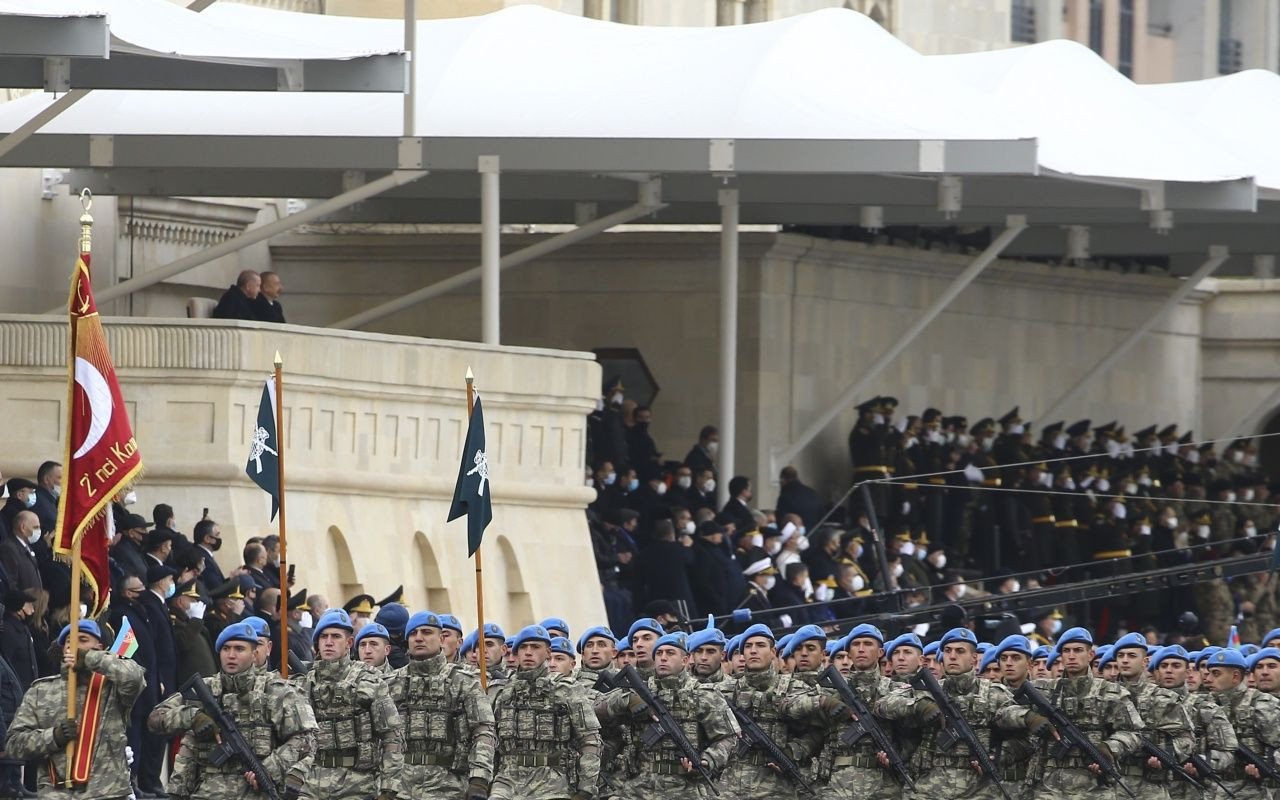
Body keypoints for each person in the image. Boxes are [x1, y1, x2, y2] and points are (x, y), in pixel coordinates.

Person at [148, 620, 316, 800]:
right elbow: (155, 719)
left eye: (239, 649)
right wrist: (193, 716)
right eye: (226, 649)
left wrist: (271, 768)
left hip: (257, 791)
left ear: (254, 654)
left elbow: (306, 738)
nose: (231, 655)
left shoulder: (278, 692)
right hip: (207, 791)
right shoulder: (204, 690)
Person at [881, 627, 1050, 800]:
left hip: (980, 787)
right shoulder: (926, 690)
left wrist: (1000, 754)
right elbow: (883, 705)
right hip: (930, 785)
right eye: (947, 651)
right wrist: (919, 705)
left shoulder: (992, 693)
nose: (952, 656)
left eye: (960, 651)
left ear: (974, 658)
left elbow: (1020, 731)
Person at [6, 619, 145, 798]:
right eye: (69, 642)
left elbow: (134, 677)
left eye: (84, 640)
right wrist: (53, 736)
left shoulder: (112, 687)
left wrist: (88, 658)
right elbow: (14, 745)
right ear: (63, 650)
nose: (76, 647)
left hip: (107, 793)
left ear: (99, 646)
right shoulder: (41, 690)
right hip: (58, 793)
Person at [596, 630, 736, 799]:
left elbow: (728, 737)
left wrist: (708, 760)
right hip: (639, 786)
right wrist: (629, 701)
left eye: (670, 653)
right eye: (659, 653)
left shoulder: (704, 694)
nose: (663, 658)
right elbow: (595, 711)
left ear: (685, 660)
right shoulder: (639, 690)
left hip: (687, 787)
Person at [297, 609, 403, 800]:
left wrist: (388, 789)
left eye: (336, 636)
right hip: (311, 784)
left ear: (349, 643)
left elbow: (392, 738)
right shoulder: (304, 684)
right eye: (324, 637)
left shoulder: (370, 681)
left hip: (358, 785)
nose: (329, 642)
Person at [389, 611, 495, 800]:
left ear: (440, 639)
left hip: (449, 787)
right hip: (401, 788)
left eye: (427, 632)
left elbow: (483, 732)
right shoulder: (391, 683)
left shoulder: (464, 681)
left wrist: (479, 780)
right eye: (413, 634)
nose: (419, 638)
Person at [488, 624, 600, 800]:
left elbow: (589, 740)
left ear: (548, 653)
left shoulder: (567, 690)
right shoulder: (501, 692)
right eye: (523, 647)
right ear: (515, 654)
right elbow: (487, 737)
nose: (529, 652)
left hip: (552, 781)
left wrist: (586, 787)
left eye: (535, 647)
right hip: (507, 780)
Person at [1034, 627, 1144, 800]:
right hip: (1050, 787)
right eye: (1066, 651)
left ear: (1091, 655)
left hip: (1094, 787)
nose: (1071, 656)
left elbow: (1133, 732)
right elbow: (1006, 710)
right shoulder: (1043, 689)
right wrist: (1031, 719)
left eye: (1078, 650)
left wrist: (1109, 748)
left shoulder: (1111, 692)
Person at [722, 623, 823, 798]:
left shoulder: (796, 688)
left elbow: (816, 732)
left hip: (777, 785)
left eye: (760, 645)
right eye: (748, 646)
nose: (753, 651)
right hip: (731, 785)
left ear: (773, 652)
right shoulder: (726, 690)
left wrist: (793, 751)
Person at [1109, 632, 1196, 795]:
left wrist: (1165, 754)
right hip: (1109, 784)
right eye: (1121, 655)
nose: (1125, 660)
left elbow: (1187, 738)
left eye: (1131, 655)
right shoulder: (1105, 695)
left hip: (1149, 786)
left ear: (1145, 662)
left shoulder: (1162, 698)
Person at [1148, 645, 1236, 800]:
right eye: (1163, 666)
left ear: (1188, 672)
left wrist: (1203, 762)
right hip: (1150, 789)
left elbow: (1227, 751)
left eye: (1176, 666)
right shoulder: (1144, 706)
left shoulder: (1204, 707)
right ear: (1156, 672)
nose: (1169, 670)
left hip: (1192, 790)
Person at [1204, 648, 1280, 800]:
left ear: (1235, 676)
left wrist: (1267, 766)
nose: (1208, 679)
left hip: (1253, 790)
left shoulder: (1262, 704)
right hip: (1212, 788)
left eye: (1216, 673)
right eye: (1209, 673)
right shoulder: (1204, 705)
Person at [169, 580, 216, 688]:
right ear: (180, 601)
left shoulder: (187, 622)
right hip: (192, 684)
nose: (197, 604)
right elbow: (183, 643)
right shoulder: (175, 621)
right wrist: (195, 621)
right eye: (193, 600)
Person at [0, 511, 41, 596]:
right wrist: (22, 604)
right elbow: (11, 583)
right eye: (36, 527)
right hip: (24, 606)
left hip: (35, 605)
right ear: (23, 527)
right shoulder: (9, 548)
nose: (39, 531)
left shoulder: (27, 546)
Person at [109, 513, 151, 583]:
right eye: (143, 529)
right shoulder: (122, 551)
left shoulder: (137, 549)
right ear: (131, 533)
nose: (146, 532)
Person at [192, 519, 227, 594]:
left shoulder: (204, 554)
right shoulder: (203, 558)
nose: (219, 538)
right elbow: (216, 588)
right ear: (207, 538)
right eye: (217, 535)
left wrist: (233, 577)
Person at [32, 462, 60, 535]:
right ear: (46, 480)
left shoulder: (54, 500)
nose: (64, 482)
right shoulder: (38, 502)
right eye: (60, 478)